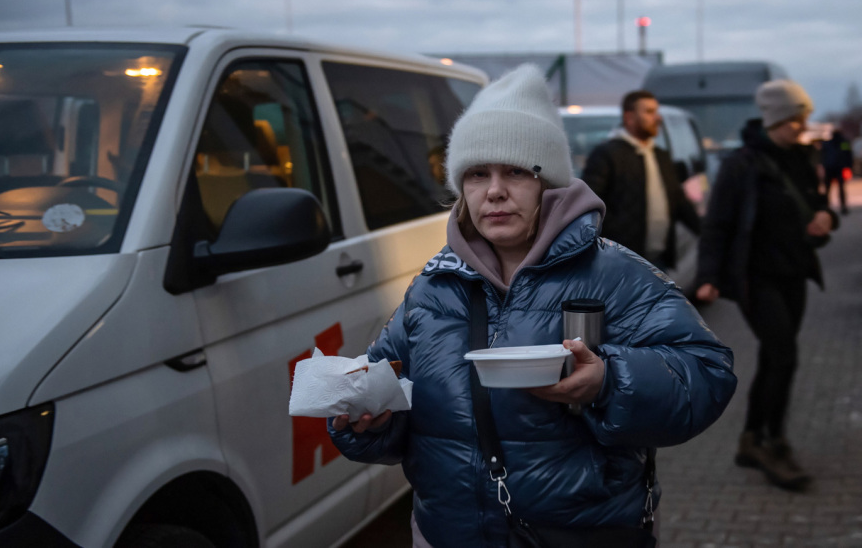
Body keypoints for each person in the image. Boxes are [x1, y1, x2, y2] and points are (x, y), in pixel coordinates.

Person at [328, 64, 737, 547]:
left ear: (549, 184)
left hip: (582, 536)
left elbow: (708, 373)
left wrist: (608, 381)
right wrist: (368, 422)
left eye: (516, 171)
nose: (494, 191)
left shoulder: (616, 274)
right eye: (477, 174)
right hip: (450, 536)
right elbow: (393, 408)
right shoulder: (432, 289)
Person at [695, 79, 838, 492]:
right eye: (796, 119)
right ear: (775, 119)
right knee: (783, 354)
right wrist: (707, 277)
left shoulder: (802, 157)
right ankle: (772, 442)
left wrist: (827, 218)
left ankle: (753, 438)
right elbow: (717, 225)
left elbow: (818, 204)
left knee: (777, 357)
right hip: (755, 278)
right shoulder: (741, 165)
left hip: (795, 273)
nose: (802, 126)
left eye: (804, 118)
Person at [581, 90, 700, 272]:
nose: (657, 118)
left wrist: (708, 233)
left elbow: (678, 202)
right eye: (649, 112)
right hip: (622, 261)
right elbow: (590, 204)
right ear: (629, 118)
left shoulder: (661, 156)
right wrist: (615, 241)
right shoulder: (607, 155)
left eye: (656, 112)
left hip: (658, 260)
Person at [821, 128, 853, 215]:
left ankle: (827, 206)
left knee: (829, 188)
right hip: (837, 167)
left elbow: (823, 156)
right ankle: (841, 206)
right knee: (839, 188)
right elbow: (848, 155)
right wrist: (849, 166)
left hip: (831, 167)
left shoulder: (828, 143)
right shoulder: (843, 143)